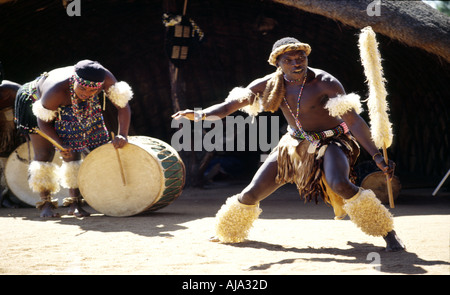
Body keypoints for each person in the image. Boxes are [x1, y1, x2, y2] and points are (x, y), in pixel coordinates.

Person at [172, 37, 405, 252]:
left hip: (332, 140)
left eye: (300, 58)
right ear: (278, 63)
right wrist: (198, 115)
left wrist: (376, 156)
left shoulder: (325, 83)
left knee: (340, 184)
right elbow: (227, 108)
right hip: (294, 142)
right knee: (252, 192)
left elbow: (353, 120)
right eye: (289, 60)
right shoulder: (269, 85)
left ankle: (388, 232)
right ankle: (227, 231)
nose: (296, 63)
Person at [14, 60, 133, 217]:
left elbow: (123, 106)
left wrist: (122, 134)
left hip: (71, 104)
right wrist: (60, 145)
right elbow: (43, 122)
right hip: (36, 102)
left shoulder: (106, 79)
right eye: (82, 88)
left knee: (74, 150)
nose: (86, 93)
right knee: (44, 154)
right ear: (74, 81)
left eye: (92, 91)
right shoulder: (56, 91)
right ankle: (46, 205)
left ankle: (75, 204)